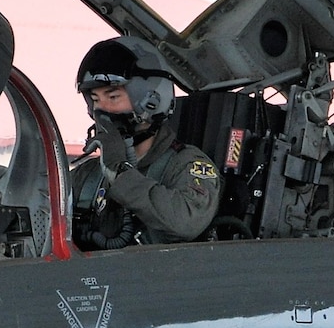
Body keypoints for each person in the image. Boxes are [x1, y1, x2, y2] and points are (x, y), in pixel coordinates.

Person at [68, 37, 221, 249]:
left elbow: (186, 220)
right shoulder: (88, 175)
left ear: (151, 101)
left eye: (112, 97)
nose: (101, 110)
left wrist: (120, 172)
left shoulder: (187, 165)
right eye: (95, 99)